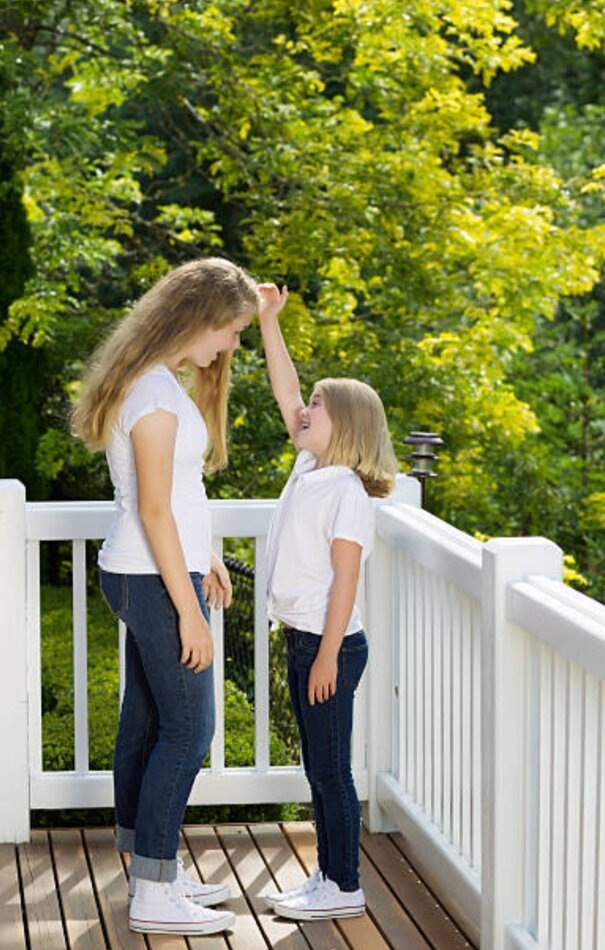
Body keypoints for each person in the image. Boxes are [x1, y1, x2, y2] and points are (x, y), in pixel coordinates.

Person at [72, 257, 260, 936]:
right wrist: (190, 612)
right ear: (200, 318)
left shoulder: (157, 384)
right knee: (188, 730)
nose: (231, 345)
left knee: (148, 724)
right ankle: (152, 891)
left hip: (159, 569)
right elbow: (152, 509)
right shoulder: (152, 397)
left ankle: (151, 865)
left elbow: (179, 494)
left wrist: (207, 554)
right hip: (153, 577)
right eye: (232, 329)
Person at [257, 284, 398, 920]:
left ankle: (344, 886)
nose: (303, 409)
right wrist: (269, 320)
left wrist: (328, 658)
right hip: (305, 637)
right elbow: (284, 389)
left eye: (317, 404)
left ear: (347, 426)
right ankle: (326, 875)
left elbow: (347, 583)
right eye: (307, 403)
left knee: (332, 771)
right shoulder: (309, 468)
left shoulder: (345, 491)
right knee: (318, 767)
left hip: (330, 644)